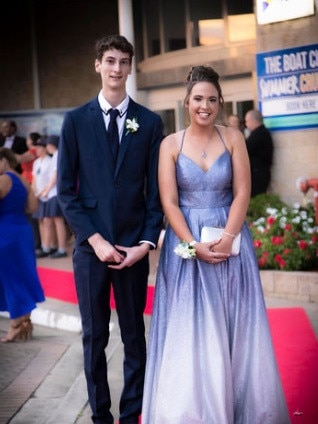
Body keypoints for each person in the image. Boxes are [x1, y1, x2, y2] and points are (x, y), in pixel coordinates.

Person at [142, 66, 290, 423]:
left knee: (235, 324)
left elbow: (242, 192)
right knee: (190, 324)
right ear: (186, 102)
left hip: (232, 242)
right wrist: (193, 245)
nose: (204, 106)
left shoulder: (233, 138)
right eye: (198, 99)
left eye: (211, 99)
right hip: (187, 248)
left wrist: (227, 238)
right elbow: (169, 202)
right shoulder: (170, 144)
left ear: (220, 102)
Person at [57, 34, 163, 424]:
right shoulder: (75, 121)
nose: (117, 68)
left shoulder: (150, 123)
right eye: (110, 61)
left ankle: (131, 414)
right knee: (94, 338)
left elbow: (156, 193)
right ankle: (100, 415)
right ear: (97, 65)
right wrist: (95, 239)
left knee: (135, 337)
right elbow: (67, 192)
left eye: (123, 62)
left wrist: (146, 242)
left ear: (131, 67)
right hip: (91, 250)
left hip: (133, 250)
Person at [0, 148, 45, 342]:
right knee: (22, 274)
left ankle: (15, 325)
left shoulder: (3, 179)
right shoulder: (24, 180)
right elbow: (32, 207)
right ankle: (26, 322)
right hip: (22, 231)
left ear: (3, 161)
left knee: (10, 278)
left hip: (5, 233)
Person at [42, 135, 68, 259]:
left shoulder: (57, 155)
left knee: (58, 221)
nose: (46, 146)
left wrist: (46, 190)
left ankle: (62, 249)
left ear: (51, 145)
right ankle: (56, 247)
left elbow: (55, 176)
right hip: (54, 193)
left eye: (47, 144)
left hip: (55, 193)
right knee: (54, 221)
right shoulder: (57, 155)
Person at [31, 136, 55, 258]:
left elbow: (51, 180)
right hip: (38, 196)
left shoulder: (50, 161)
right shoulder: (36, 163)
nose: (37, 150)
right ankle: (44, 245)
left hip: (47, 195)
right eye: (36, 148)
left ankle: (49, 246)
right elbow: (34, 179)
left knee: (48, 221)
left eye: (39, 148)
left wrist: (42, 192)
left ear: (45, 149)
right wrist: (34, 192)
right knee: (40, 221)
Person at [244, 109, 274, 197]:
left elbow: (245, 149)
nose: (246, 124)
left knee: (256, 201)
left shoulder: (259, 134)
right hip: (259, 173)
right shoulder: (260, 132)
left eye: (247, 121)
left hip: (258, 175)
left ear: (253, 120)